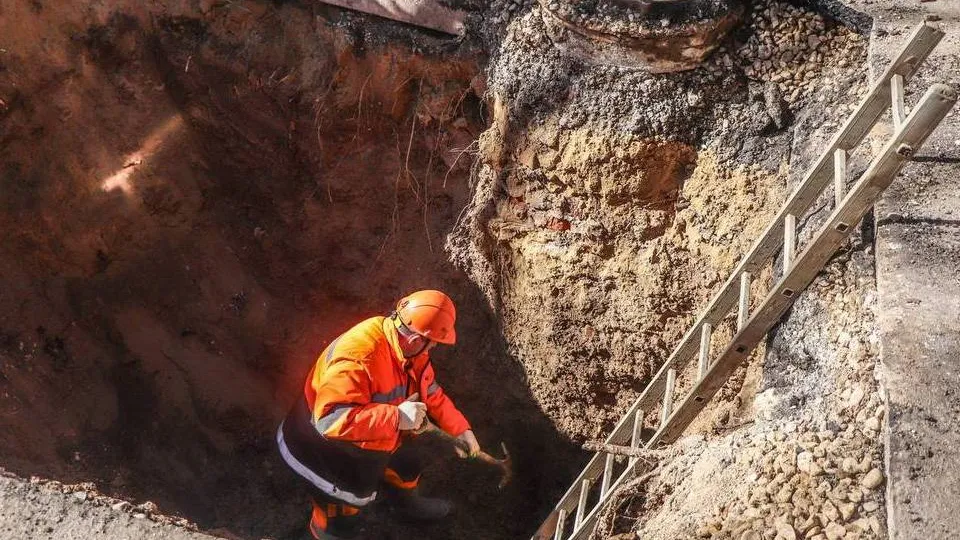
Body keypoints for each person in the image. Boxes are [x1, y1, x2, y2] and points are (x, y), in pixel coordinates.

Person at [277, 290, 480, 539]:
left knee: (408, 462)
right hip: (324, 451)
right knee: (342, 509)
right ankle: (327, 533)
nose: (436, 346)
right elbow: (330, 420)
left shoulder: (409, 350)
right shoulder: (359, 356)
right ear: (416, 339)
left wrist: (460, 428)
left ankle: (405, 506)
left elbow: (430, 389)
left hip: (377, 433)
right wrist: (396, 418)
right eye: (434, 341)